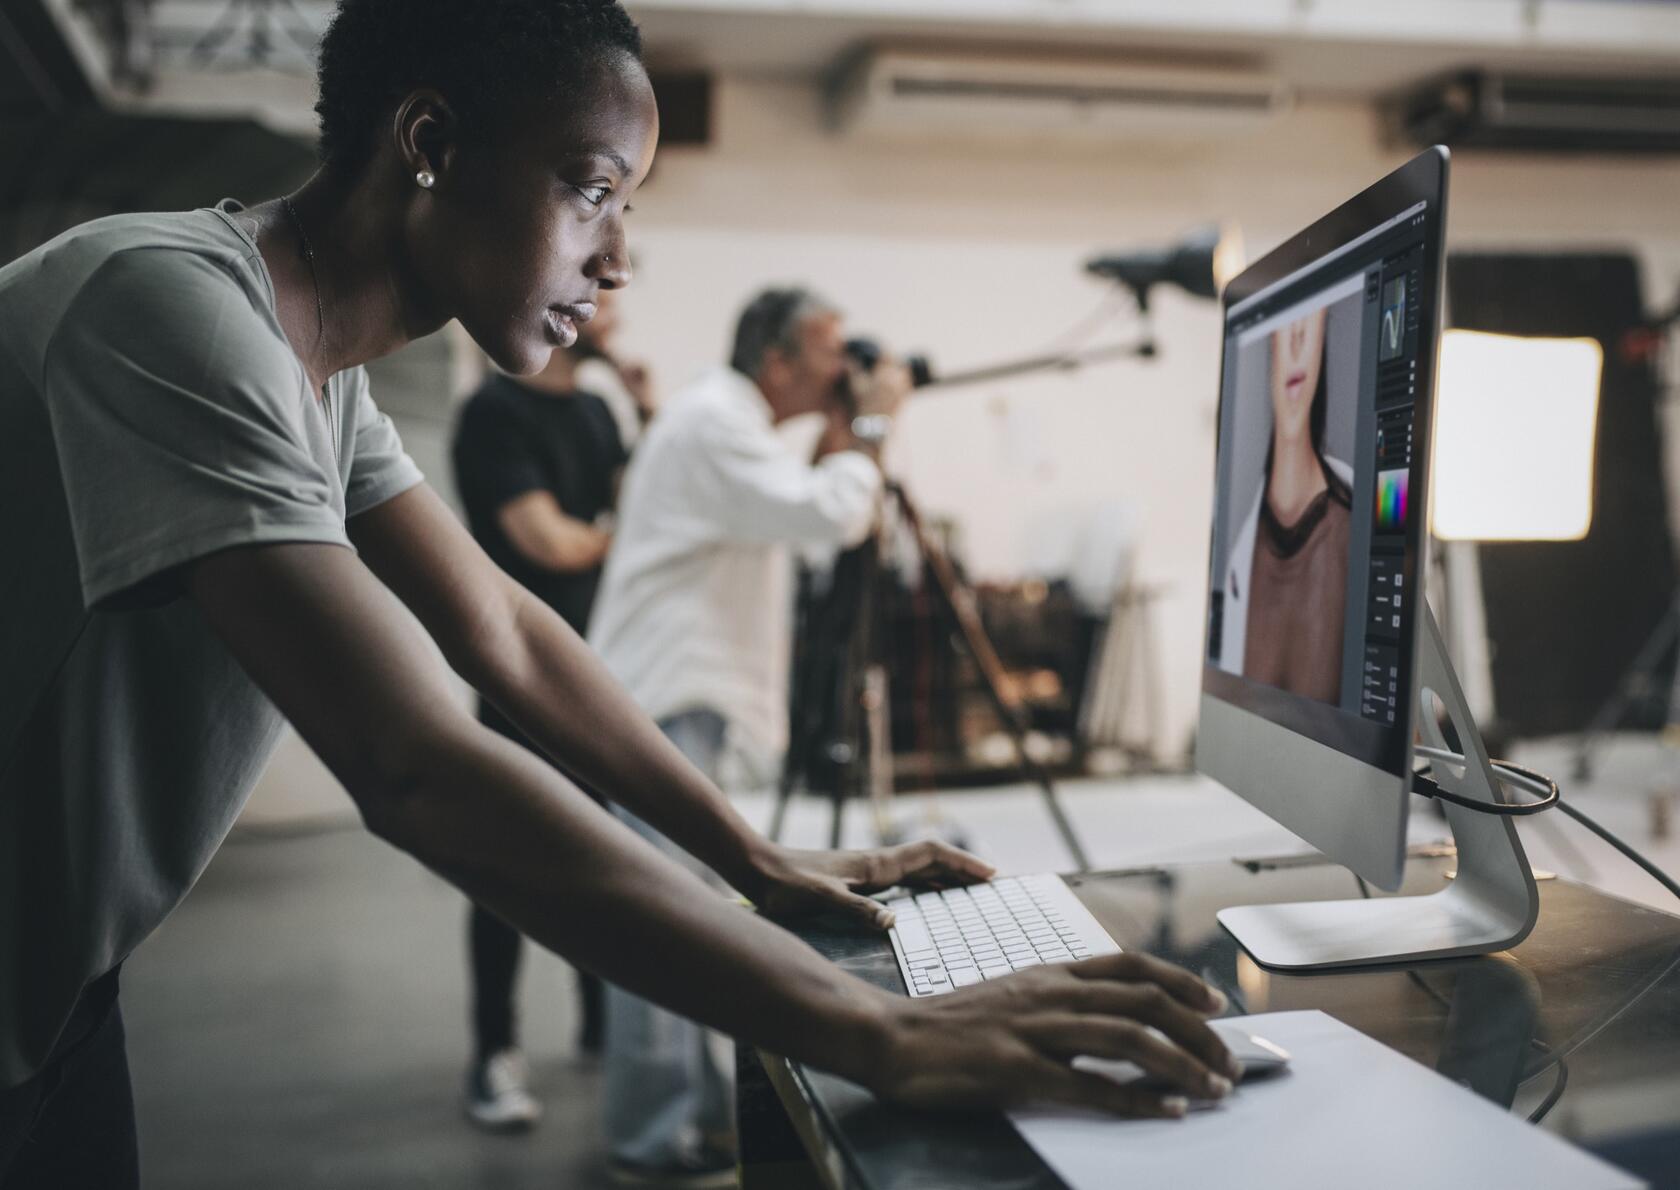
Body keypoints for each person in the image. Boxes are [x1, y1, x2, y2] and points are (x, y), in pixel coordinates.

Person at [0, 4, 1237, 1189]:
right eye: (593, 189)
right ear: (429, 143)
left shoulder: (315, 375)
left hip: (60, 988)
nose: (620, 258)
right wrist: (879, 1031)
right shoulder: (166, 311)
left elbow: (508, 635)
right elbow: (410, 757)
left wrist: (753, 856)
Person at [584, 286, 905, 1180]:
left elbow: (817, 515)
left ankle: (682, 1116)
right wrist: (873, 431)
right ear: (777, 361)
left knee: (684, 910)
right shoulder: (715, 424)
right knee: (662, 918)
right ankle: (652, 1139)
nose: (847, 369)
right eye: (832, 351)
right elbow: (825, 516)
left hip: (674, 696)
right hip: (664, 700)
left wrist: (852, 438)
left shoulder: (726, 420)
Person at [451, 286, 652, 1132]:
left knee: (606, 852)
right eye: (602, 301)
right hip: (521, 675)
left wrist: (647, 413)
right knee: (507, 866)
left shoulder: (603, 417)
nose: (616, 314)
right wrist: (623, 529)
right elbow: (550, 541)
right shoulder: (492, 414)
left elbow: (636, 505)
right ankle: (494, 1053)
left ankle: (604, 1026)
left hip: (603, 671)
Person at [1217, 307, 1354, 703]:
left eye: (1310, 323)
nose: (1297, 342)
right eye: (1285, 325)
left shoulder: (1352, 535)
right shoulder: (1237, 547)